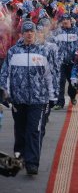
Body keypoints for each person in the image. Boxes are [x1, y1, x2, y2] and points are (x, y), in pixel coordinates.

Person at [0, 20, 57, 175]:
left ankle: (32, 164)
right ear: (22, 34)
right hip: (18, 99)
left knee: (34, 131)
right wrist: (5, 93)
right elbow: (5, 74)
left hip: (39, 99)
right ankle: (20, 159)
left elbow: (51, 75)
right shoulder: (13, 52)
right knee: (20, 132)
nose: (29, 34)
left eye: (32, 31)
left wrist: (53, 96)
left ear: (35, 33)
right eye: (26, 31)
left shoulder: (43, 51)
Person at [51, 13, 78, 109]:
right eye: (63, 20)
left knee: (73, 84)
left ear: (70, 20)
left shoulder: (77, 31)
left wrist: (77, 56)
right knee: (60, 82)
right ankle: (60, 103)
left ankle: (72, 96)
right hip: (60, 62)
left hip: (73, 63)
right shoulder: (57, 32)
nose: (65, 21)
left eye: (67, 19)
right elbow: (52, 45)